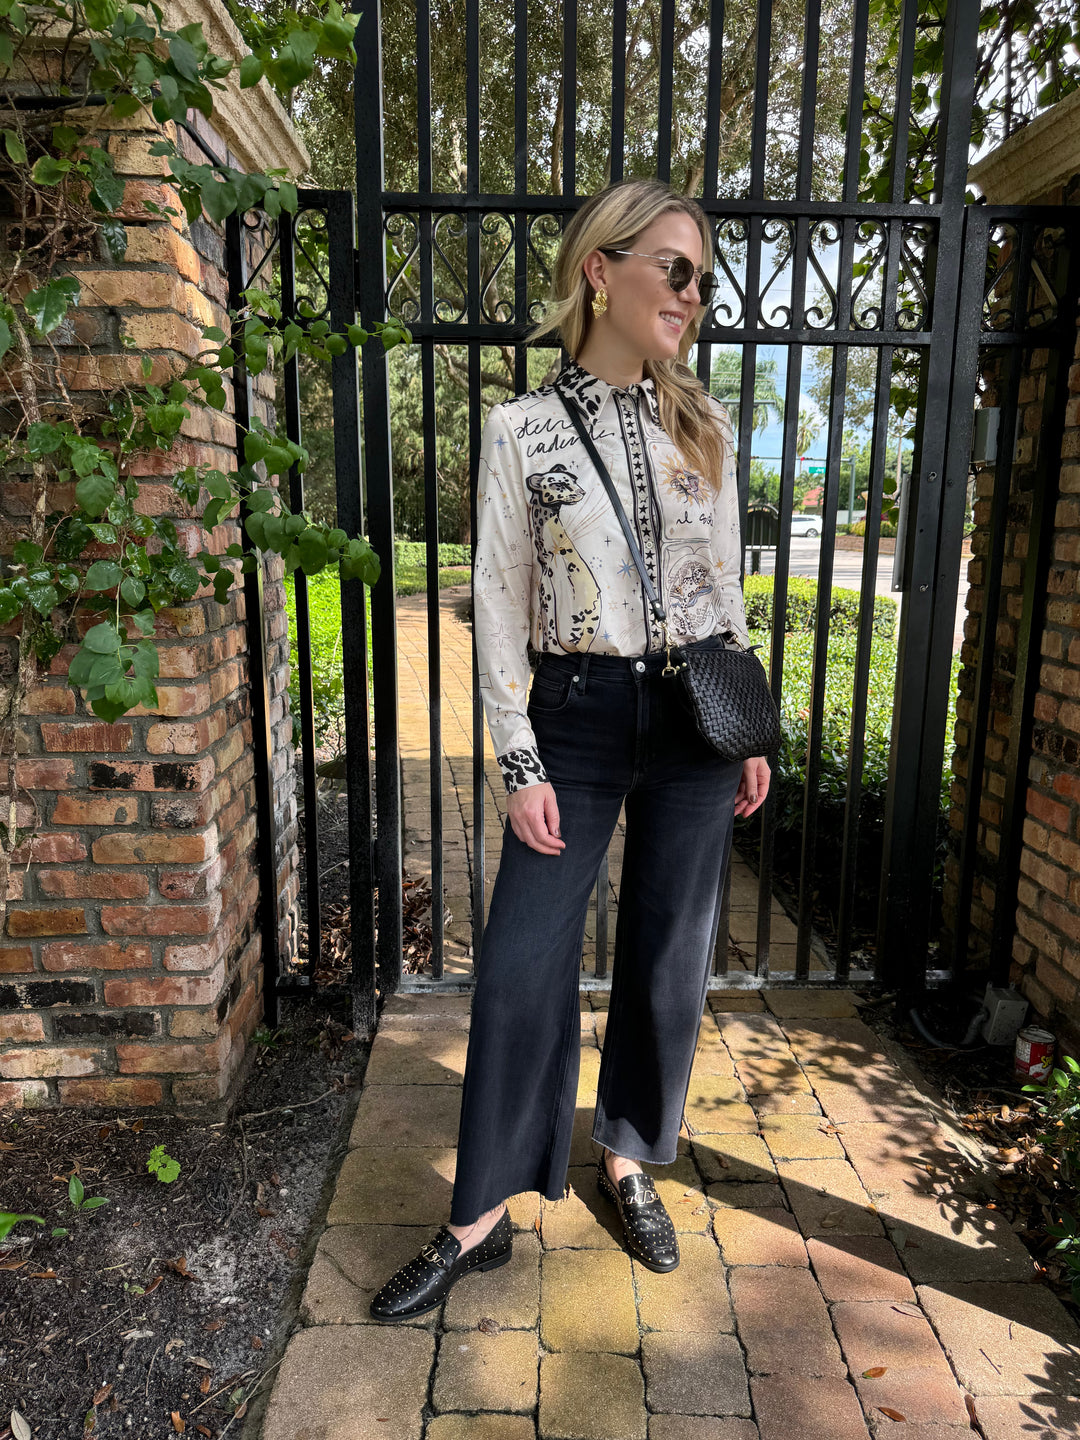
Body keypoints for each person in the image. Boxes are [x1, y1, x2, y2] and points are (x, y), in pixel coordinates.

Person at [369, 177, 770, 1322]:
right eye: (675, 269)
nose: (693, 295)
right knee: (520, 960)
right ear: (604, 269)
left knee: (666, 953)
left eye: (703, 276)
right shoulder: (520, 430)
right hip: (578, 715)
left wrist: (748, 726)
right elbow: (498, 600)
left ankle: (630, 1154)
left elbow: (722, 590)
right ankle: (479, 1213)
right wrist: (516, 757)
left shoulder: (705, 426)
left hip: (697, 719)